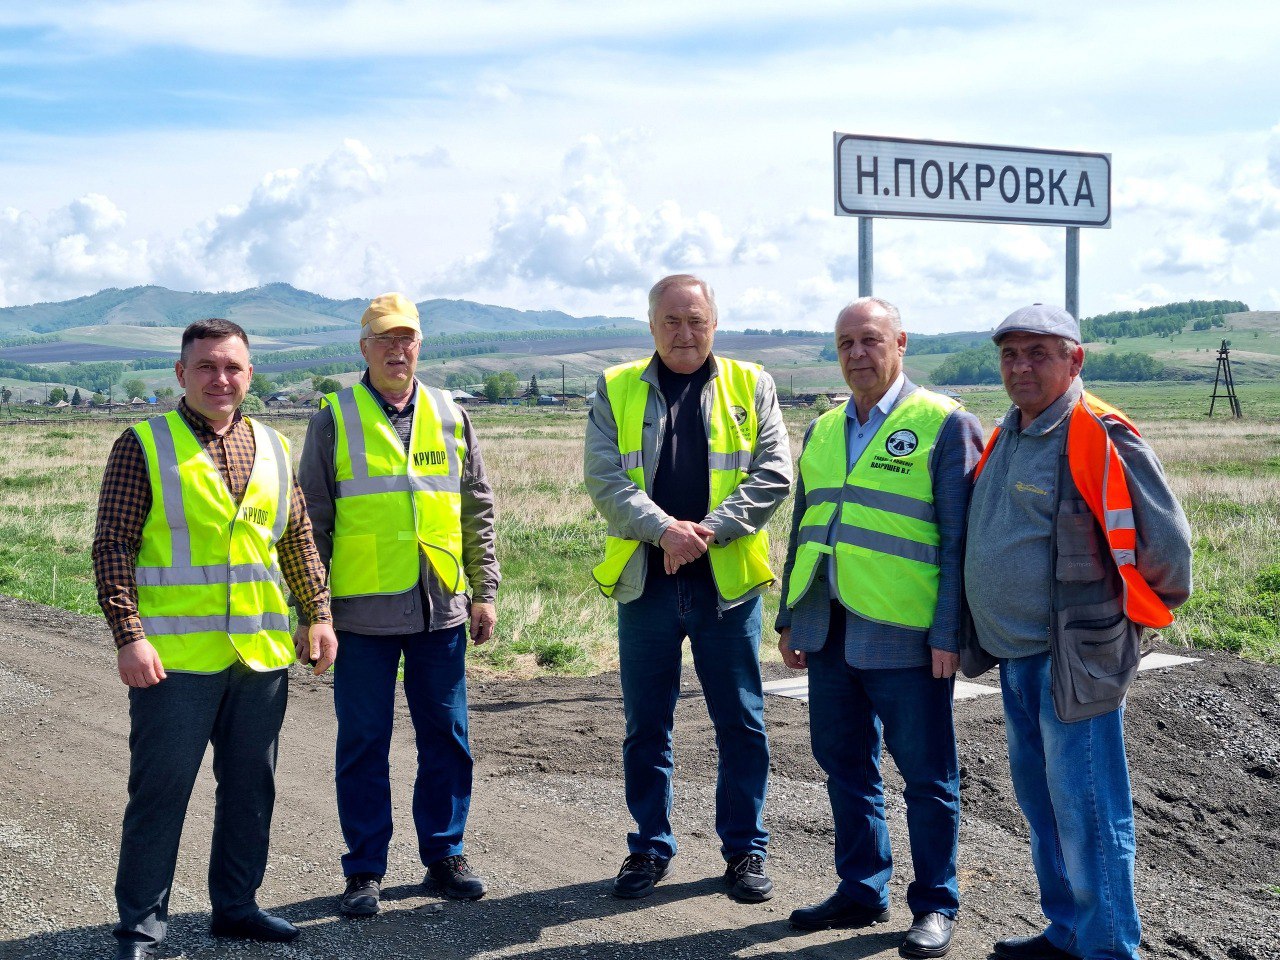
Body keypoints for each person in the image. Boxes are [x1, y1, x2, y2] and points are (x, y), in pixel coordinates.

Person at [93, 318, 337, 960]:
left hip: (259, 657)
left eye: (232, 367)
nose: (219, 378)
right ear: (181, 373)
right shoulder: (142, 443)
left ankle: (237, 907)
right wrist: (128, 633)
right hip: (173, 661)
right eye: (205, 366)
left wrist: (318, 614)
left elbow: (296, 540)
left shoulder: (275, 448)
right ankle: (141, 927)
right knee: (161, 793)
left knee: (251, 788)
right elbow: (113, 545)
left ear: (249, 374)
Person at [962, 304, 1192, 960]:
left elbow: (1170, 548)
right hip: (1015, 658)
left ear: (1075, 360)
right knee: (1045, 811)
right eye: (1010, 354)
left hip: (1074, 661)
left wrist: (1126, 629)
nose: (1022, 366)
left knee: (1089, 815)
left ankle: (1108, 948)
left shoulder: (1099, 433)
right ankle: (1067, 933)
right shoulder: (1010, 431)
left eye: (1038, 352)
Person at [777, 297, 983, 959]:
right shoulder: (824, 428)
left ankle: (934, 905)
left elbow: (960, 543)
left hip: (908, 632)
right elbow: (805, 527)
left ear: (900, 342)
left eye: (870, 340)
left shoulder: (944, 424)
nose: (858, 355)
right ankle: (862, 888)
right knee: (844, 766)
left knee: (927, 777)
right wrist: (791, 617)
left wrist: (948, 632)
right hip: (831, 629)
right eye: (846, 344)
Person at [583, 273, 792, 902]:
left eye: (696, 320)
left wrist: (706, 532)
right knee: (646, 724)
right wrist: (665, 532)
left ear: (714, 324)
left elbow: (774, 472)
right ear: (651, 325)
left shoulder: (751, 383)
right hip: (646, 583)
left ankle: (745, 850)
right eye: (672, 320)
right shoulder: (616, 387)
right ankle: (648, 847)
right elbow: (604, 479)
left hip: (724, 586)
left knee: (741, 722)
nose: (685, 332)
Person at [295, 292, 500, 918]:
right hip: (360, 613)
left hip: (440, 608)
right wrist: (314, 612)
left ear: (419, 346)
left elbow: (476, 507)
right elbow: (311, 521)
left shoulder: (450, 413)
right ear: (364, 348)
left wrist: (484, 589)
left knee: (447, 736)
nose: (396, 348)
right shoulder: (335, 417)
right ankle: (364, 870)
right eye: (384, 338)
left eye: (406, 338)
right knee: (364, 742)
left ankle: (444, 855)